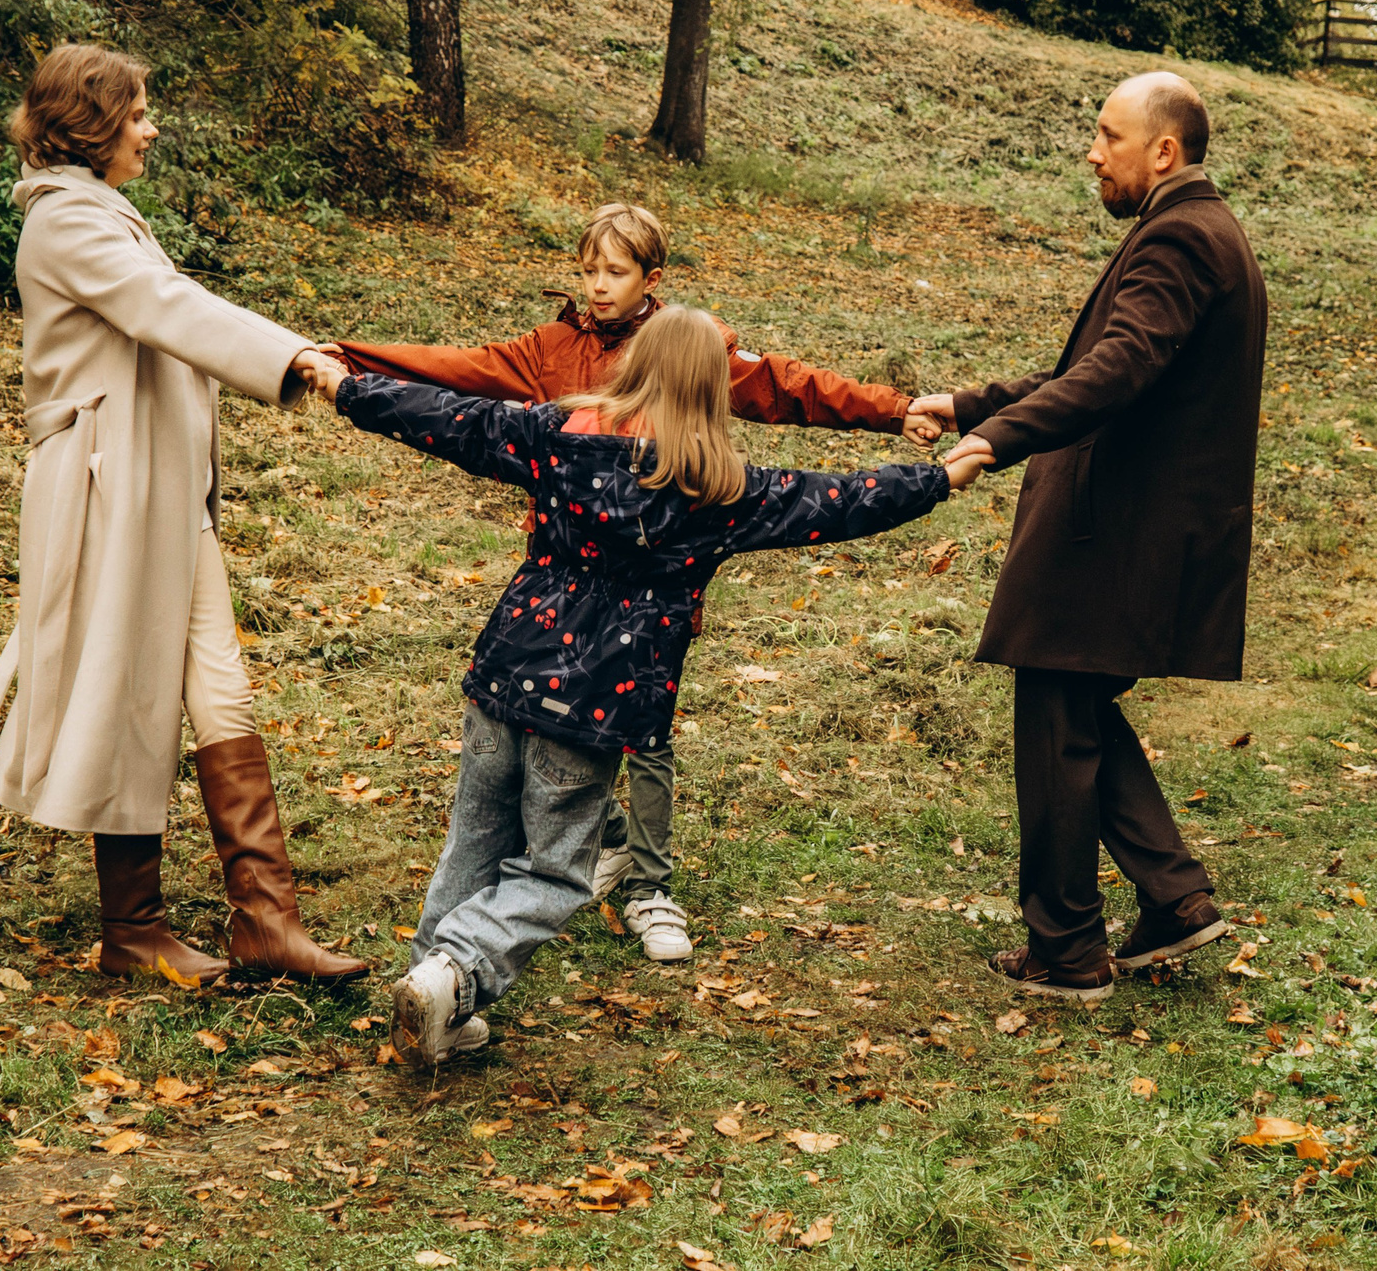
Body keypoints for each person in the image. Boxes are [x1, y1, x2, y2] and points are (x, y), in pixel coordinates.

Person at [301, 308, 983, 1063]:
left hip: (504, 672)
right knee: (557, 870)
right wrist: (940, 477)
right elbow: (839, 499)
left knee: (475, 839)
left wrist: (344, 386)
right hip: (595, 703)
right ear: (710, 389)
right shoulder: (722, 490)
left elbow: (445, 416)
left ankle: (435, 992)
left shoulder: (551, 437)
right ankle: (454, 974)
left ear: (634, 365)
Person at [328, 203, 937, 965]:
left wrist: (895, 411)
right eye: (588, 270)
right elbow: (456, 380)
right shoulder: (554, 351)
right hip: (562, 595)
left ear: (652, 279)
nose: (597, 286)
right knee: (543, 784)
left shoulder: (692, 349)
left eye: (614, 271)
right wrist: (348, 359)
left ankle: (645, 881)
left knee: (629, 744)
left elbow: (791, 387)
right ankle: (522, 908)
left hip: (622, 609)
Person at [0, 44, 366, 985]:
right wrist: (293, 356)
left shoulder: (103, 212)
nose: (150, 128)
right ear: (94, 124)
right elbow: (164, 306)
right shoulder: (65, 223)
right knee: (127, 688)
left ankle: (266, 919)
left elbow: (163, 313)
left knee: (219, 685)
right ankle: (133, 928)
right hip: (108, 492)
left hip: (162, 493)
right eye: (137, 113)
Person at [912, 71, 1267, 1002]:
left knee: (1058, 722)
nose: (1092, 151)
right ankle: (1175, 897)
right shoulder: (1190, 230)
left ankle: (1067, 951)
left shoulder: (1184, 236)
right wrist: (969, 405)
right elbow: (1089, 366)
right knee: (1072, 711)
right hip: (1129, 523)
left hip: (1116, 528)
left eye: (1108, 136)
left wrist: (996, 440)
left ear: (1165, 151)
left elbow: (1116, 372)